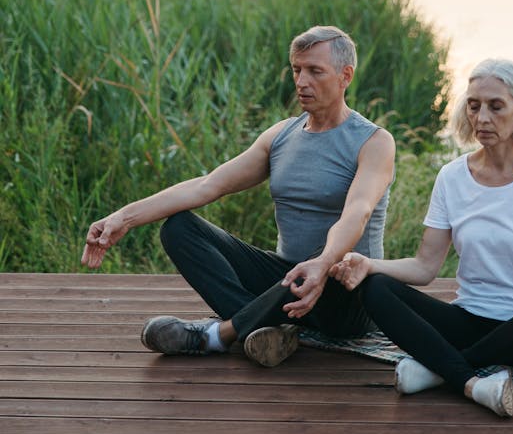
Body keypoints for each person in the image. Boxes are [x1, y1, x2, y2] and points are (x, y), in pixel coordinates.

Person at [82, 25, 395, 367]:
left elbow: (358, 212)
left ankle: (218, 335)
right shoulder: (281, 135)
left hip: (344, 292)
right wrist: (123, 217)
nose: (302, 81)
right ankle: (265, 327)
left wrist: (322, 263)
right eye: (296, 69)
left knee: (327, 267)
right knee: (179, 228)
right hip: (288, 282)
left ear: (345, 75)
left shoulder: (373, 142)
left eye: (315, 71)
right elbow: (208, 185)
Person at [330, 57, 513, 419]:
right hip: (469, 324)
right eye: (474, 105)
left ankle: (441, 370)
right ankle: (471, 382)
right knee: (376, 288)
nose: (482, 118)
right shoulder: (451, 177)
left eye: (496, 107)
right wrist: (369, 264)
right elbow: (425, 267)